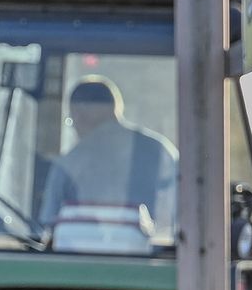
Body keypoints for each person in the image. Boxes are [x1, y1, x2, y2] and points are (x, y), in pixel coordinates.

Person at [37, 77, 178, 236]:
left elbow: (50, 227)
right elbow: (179, 218)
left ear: (79, 114)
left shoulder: (69, 164)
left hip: (80, 258)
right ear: (116, 107)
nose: (75, 126)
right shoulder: (160, 151)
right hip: (153, 258)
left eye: (72, 120)